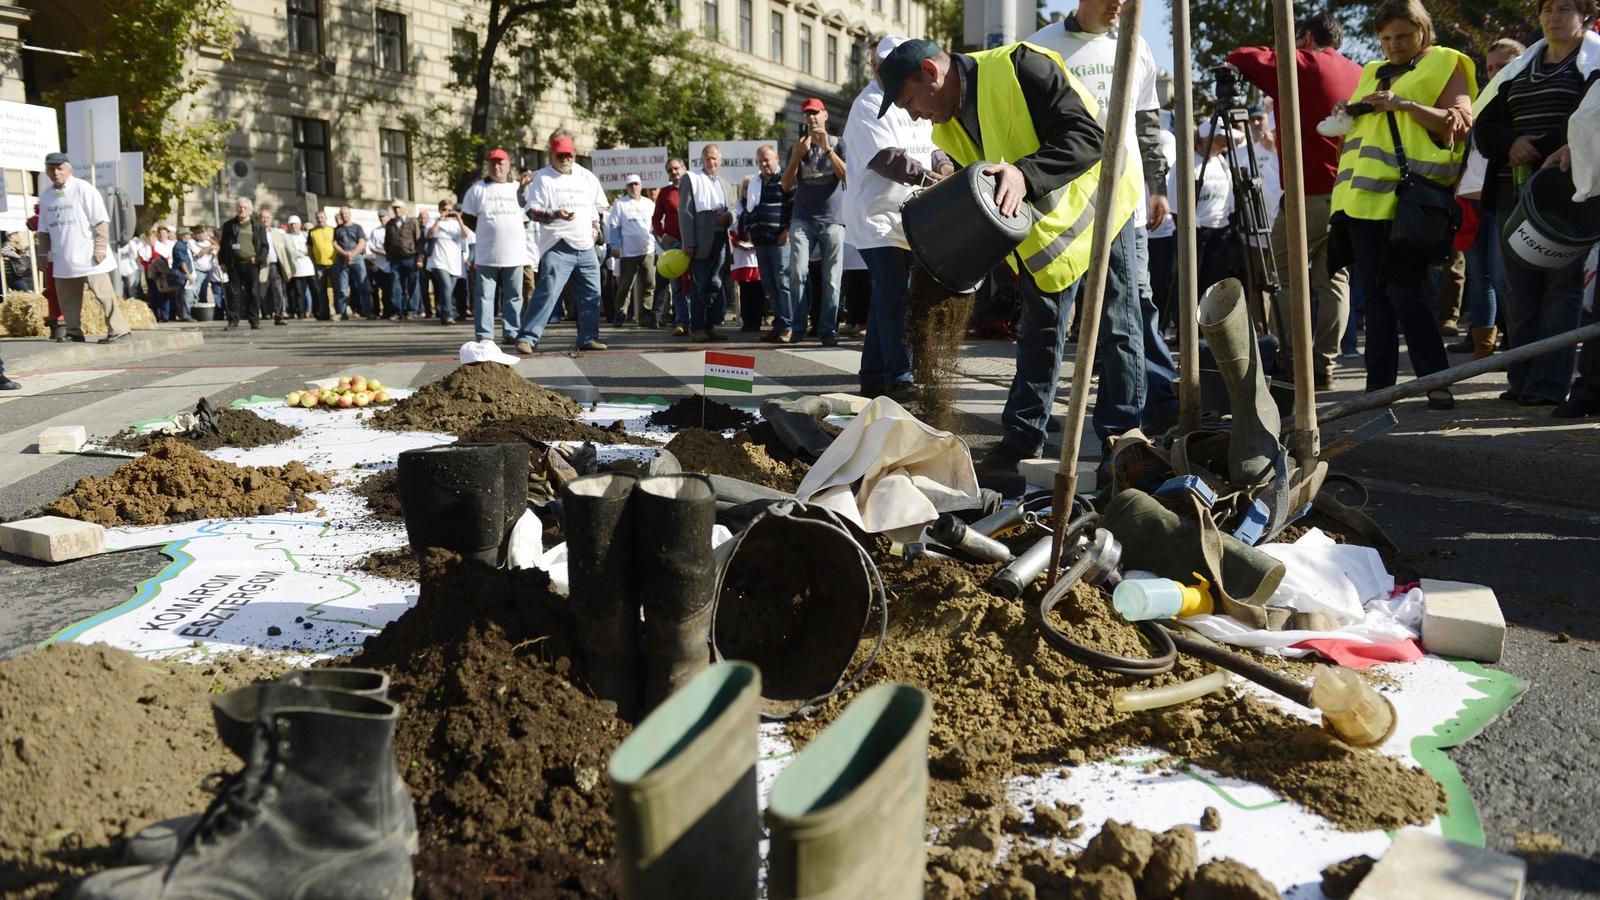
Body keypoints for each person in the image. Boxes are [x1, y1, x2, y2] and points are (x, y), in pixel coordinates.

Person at [879, 37, 1140, 470]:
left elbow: (1090, 137)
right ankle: (1021, 438)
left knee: (1117, 327)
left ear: (931, 72)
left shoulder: (1021, 66)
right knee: (1038, 330)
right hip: (1045, 236)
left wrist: (1026, 174)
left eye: (908, 101)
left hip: (1104, 208)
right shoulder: (947, 128)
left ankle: (1122, 440)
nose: (912, 115)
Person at [1027, 0, 1179, 436]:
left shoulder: (1137, 47)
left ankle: (1127, 425)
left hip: (1124, 205)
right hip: (1065, 208)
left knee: (1128, 314)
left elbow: (1146, 124)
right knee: (1051, 317)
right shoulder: (1041, 48)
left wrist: (1157, 188)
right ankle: (1032, 423)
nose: (1120, 5)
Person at [1329, 0, 1475, 409]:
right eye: (1387, 38)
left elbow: (1461, 124)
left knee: (1405, 291)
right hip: (1360, 201)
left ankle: (1436, 379)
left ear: (1423, 31)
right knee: (1376, 296)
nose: (1394, 45)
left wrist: (1405, 104)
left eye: (1403, 36)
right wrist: (1346, 113)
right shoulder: (1371, 71)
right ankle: (1378, 390)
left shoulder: (1447, 61)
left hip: (1410, 201)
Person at [1469, 0, 1599, 410]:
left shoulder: (1593, 63)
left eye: (1564, 8)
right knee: (1518, 290)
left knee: (1561, 289)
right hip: (1513, 190)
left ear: (1586, 17)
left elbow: (1590, 118)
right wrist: (1510, 143)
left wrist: (1539, 147)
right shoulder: (1519, 66)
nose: (1553, 16)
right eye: (1547, 8)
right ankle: (1521, 376)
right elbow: (1485, 121)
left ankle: (1548, 385)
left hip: (1566, 193)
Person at [1228, 10, 1363, 390]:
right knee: (1335, 279)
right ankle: (1325, 363)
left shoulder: (1302, 63)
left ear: (1305, 37)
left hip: (1306, 193)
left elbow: (1239, 56)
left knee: (1283, 276)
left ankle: (1293, 360)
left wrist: (1286, 46)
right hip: (1347, 191)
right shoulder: (1356, 70)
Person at [843, 32, 944, 396]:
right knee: (895, 295)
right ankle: (899, 378)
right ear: (875, 66)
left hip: (908, 218)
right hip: (876, 217)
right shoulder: (868, 104)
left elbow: (931, 145)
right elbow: (885, 157)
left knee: (887, 299)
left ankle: (872, 378)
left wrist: (943, 164)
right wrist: (927, 175)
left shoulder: (910, 98)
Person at [1451, 39, 1525, 360]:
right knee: (1477, 275)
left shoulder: (1522, 96)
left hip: (1504, 196)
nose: (1494, 72)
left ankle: (1516, 341)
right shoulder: (1481, 100)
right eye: (1490, 67)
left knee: (1501, 273)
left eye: (1502, 65)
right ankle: (1482, 342)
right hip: (1471, 198)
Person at [523, 131, 610, 352]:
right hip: (557, 244)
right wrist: (555, 214)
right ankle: (527, 338)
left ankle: (588, 337)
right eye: (560, 155)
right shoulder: (541, 178)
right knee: (548, 292)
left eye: (568, 155)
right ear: (550, 153)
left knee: (592, 294)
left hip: (585, 245)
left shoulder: (586, 177)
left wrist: (595, 230)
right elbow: (531, 212)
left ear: (574, 154)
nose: (565, 160)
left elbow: (595, 210)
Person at [781, 98, 848, 345]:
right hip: (803, 218)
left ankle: (828, 329)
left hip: (832, 219)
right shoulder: (797, 146)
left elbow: (846, 176)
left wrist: (827, 149)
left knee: (832, 277)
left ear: (825, 115)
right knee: (797, 271)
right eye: (806, 114)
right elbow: (786, 186)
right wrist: (796, 157)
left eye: (815, 113)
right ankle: (797, 327)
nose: (810, 118)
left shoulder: (839, 143)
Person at [460, 148, 530, 344]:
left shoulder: (518, 188)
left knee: (514, 295)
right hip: (487, 253)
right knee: (484, 296)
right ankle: (484, 334)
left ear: (508, 166)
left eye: (501, 163)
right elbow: (467, 218)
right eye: (493, 163)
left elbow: (526, 219)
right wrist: (486, 232)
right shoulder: (477, 189)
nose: (497, 166)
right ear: (488, 165)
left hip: (515, 253)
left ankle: (512, 331)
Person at [679, 145, 734, 342]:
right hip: (700, 242)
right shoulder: (691, 179)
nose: (711, 163)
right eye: (707, 159)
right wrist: (689, 242)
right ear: (701, 161)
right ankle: (698, 327)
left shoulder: (726, 184)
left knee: (715, 283)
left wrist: (729, 216)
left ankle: (710, 325)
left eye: (714, 159)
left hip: (721, 240)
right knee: (699, 284)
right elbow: (685, 213)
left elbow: (735, 209)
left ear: (721, 160)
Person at [744, 145, 796, 342]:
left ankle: (788, 326)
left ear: (777, 159)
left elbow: (794, 206)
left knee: (783, 283)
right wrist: (749, 228)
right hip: (760, 241)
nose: (764, 164)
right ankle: (779, 324)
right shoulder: (756, 181)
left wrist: (787, 231)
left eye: (767, 159)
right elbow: (750, 209)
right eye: (760, 160)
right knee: (769, 285)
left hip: (779, 240)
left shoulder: (786, 178)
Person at [1181, 122, 1239, 295]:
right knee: (1195, 280)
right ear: (1203, 141)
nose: (1223, 145)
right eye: (1218, 140)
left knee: (1214, 280)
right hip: (1198, 231)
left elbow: (1230, 194)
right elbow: (1177, 200)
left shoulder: (1222, 161)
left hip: (1221, 230)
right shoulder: (1188, 162)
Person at [606, 174, 657, 325]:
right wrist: (615, 246)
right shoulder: (620, 204)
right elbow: (614, 226)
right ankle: (620, 314)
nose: (634, 187)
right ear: (627, 187)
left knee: (649, 284)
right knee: (624, 286)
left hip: (647, 250)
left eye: (636, 184)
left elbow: (656, 226)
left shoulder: (649, 204)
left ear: (641, 186)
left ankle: (646, 314)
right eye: (630, 185)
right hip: (628, 252)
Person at [652, 157, 690, 332]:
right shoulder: (665, 192)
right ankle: (682, 323)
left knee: (694, 284)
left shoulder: (694, 188)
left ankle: (698, 323)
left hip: (694, 244)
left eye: (676, 168)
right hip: (675, 247)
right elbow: (656, 219)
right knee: (677, 286)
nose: (673, 173)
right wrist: (663, 235)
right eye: (670, 170)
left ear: (684, 168)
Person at [219, 197, 267, 330]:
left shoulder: (257, 226)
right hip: (234, 264)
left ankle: (254, 321)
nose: (242, 209)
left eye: (245, 207)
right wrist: (222, 261)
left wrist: (258, 259)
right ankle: (233, 320)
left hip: (251, 264)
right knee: (233, 293)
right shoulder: (229, 225)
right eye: (240, 207)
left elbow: (264, 246)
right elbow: (223, 245)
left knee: (253, 293)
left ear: (250, 210)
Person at [428, 198, 473, 324]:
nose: (447, 212)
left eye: (449, 209)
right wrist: (438, 221)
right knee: (447, 287)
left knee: (447, 291)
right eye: (444, 209)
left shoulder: (455, 224)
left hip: (454, 262)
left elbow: (466, 234)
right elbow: (430, 235)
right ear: (439, 209)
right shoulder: (433, 221)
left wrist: (458, 218)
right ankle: (448, 315)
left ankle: (443, 314)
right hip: (438, 261)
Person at [384, 201, 423, 320]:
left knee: (412, 285)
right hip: (395, 260)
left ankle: (412, 311)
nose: (396, 210)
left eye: (399, 208)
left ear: (404, 209)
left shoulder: (412, 222)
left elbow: (419, 241)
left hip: (410, 258)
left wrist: (420, 258)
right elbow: (387, 242)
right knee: (396, 286)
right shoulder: (390, 223)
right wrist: (389, 255)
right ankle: (397, 312)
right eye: (394, 208)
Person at [331, 206, 370, 320]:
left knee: (363, 286)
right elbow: (335, 244)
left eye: (346, 213)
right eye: (342, 214)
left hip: (357, 258)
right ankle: (342, 313)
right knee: (342, 289)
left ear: (350, 214)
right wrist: (345, 254)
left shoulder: (358, 227)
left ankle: (368, 312)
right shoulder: (337, 229)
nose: (344, 216)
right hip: (342, 259)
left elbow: (362, 242)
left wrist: (352, 254)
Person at [283, 215, 316, 318]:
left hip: (309, 266)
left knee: (314, 289)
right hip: (296, 267)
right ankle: (300, 312)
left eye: (295, 224)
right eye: (291, 224)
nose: (293, 226)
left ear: (299, 225)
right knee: (299, 292)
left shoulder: (306, 235)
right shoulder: (286, 237)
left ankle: (316, 310)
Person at [307, 210, 337, 319]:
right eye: (318, 218)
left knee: (335, 289)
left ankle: (338, 312)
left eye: (321, 217)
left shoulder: (333, 230)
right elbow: (309, 249)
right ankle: (325, 313)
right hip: (319, 265)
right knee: (322, 290)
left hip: (333, 264)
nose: (320, 220)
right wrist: (313, 261)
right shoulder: (312, 232)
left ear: (326, 218)